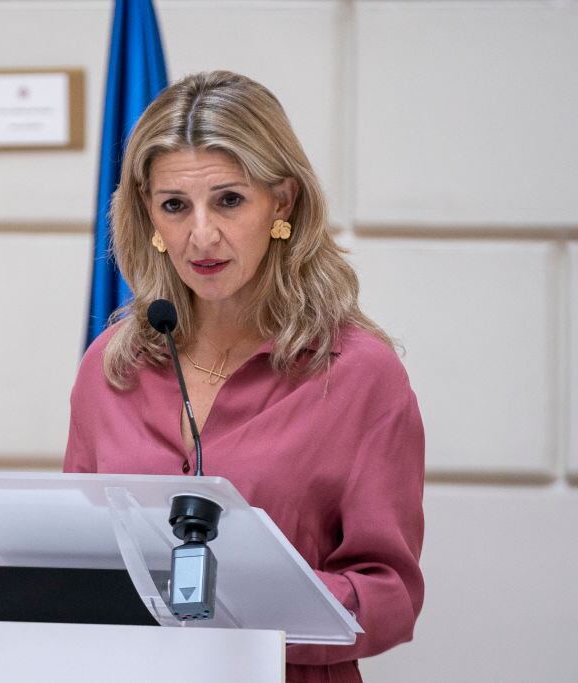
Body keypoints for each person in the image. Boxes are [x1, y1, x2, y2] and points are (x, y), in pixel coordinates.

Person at [64, 71, 424, 683]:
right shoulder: (110, 368)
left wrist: (240, 602)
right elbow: (75, 556)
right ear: (148, 214)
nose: (201, 235)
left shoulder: (360, 374)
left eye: (229, 200)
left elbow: (389, 597)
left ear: (281, 202)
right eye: (175, 206)